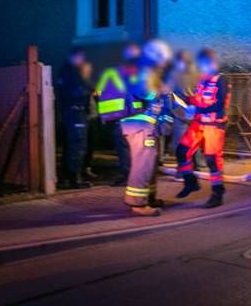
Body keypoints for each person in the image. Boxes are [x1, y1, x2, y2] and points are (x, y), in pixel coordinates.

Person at [120, 39, 173, 216]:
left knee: (150, 163)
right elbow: (143, 91)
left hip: (145, 125)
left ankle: (149, 198)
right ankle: (138, 204)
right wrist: (161, 89)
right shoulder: (144, 70)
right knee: (142, 164)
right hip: (139, 125)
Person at [175, 48, 231, 208]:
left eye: (203, 65)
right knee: (181, 151)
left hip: (214, 125)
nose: (201, 68)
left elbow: (219, 104)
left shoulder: (222, 80)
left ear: (212, 63)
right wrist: (185, 99)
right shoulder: (203, 78)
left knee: (212, 160)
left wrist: (196, 110)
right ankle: (190, 182)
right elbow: (199, 99)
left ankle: (217, 193)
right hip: (198, 124)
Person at [95, 43, 140, 186]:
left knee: (124, 148)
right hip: (136, 114)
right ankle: (136, 176)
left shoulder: (110, 72)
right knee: (136, 148)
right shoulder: (138, 72)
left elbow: (98, 93)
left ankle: (127, 176)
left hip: (118, 116)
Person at [56, 47, 95, 189]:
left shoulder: (67, 71)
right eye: (82, 57)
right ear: (75, 57)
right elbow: (75, 93)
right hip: (75, 112)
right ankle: (75, 179)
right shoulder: (71, 72)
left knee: (71, 146)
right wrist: (89, 88)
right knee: (77, 146)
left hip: (72, 112)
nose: (83, 61)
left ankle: (67, 177)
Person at [166, 50, 203, 171]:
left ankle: (182, 169)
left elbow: (170, 94)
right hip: (196, 112)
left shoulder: (175, 75)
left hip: (181, 112)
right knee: (194, 139)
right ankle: (197, 165)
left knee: (180, 142)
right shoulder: (197, 73)